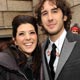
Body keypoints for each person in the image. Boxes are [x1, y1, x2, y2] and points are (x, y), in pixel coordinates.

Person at [35, 0, 80, 80]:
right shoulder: (41, 48)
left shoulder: (78, 42)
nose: (50, 18)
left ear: (65, 16)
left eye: (54, 11)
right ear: (41, 21)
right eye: (45, 13)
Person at [0, 15, 41, 80]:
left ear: (37, 36)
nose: (28, 38)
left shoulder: (42, 59)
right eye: (21, 34)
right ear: (15, 40)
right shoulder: (3, 65)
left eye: (32, 32)